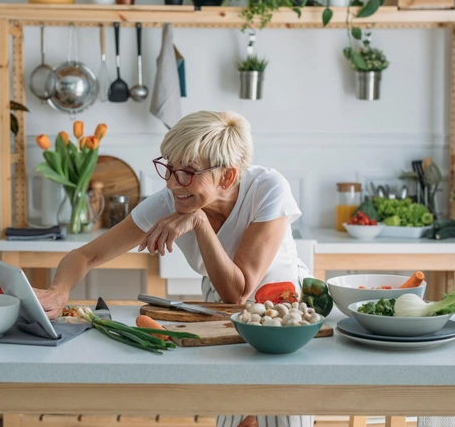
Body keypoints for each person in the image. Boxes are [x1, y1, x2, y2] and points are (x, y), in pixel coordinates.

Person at [35, 110, 313, 427]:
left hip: (284, 305)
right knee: (236, 415)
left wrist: (199, 222)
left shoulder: (267, 188)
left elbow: (240, 289)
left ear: (228, 176)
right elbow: (86, 255)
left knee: (282, 412)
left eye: (188, 172)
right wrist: (58, 291)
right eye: (168, 167)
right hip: (219, 306)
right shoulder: (172, 199)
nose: (171, 182)